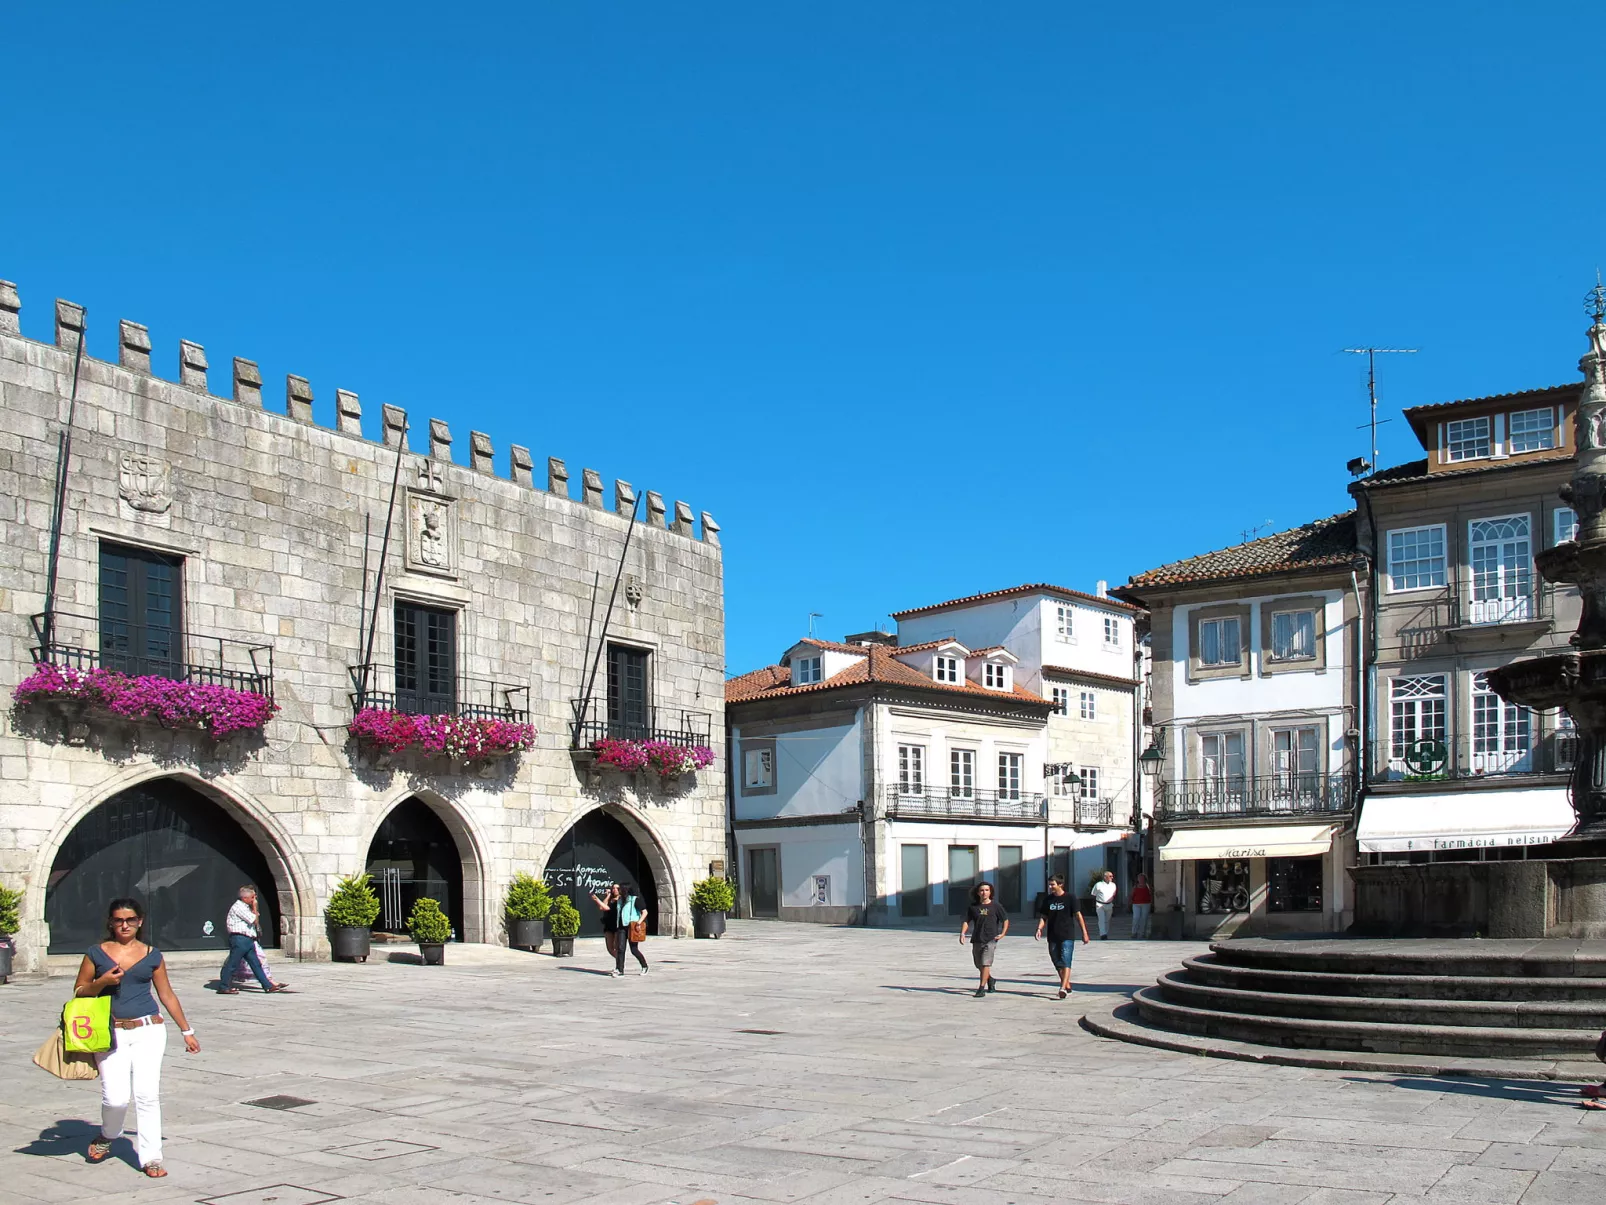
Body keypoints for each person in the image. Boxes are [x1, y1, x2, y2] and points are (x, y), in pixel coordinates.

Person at [74, 898, 200, 1178]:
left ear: (140, 921)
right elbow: (80, 992)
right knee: (116, 1099)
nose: (124, 925)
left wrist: (186, 1031)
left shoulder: (152, 954)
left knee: (147, 1095)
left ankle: (152, 1158)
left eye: (130, 919)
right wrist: (102, 982)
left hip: (149, 1029)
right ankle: (108, 1134)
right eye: (119, 920)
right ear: (111, 922)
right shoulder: (96, 953)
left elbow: (166, 993)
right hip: (110, 1032)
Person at [218, 885, 287, 994]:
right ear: (245, 898)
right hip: (240, 938)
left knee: (256, 964)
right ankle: (224, 986)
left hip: (248, 940)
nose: (254, 900)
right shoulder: (238, 907)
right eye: (252, 897)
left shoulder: (245, 907)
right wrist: (255, 908)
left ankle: (267, 985)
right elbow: (254, 920)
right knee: (233, 963)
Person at [1034, 875, 1091, 999]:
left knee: (1066, 959)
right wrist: (1039, 929)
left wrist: (1084, 933)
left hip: (1067, 934)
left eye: (1052, 884)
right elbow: (1044, 916)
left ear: (1060, 884)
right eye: (1049, 885)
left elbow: (1078, 916)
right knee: (1056, 960)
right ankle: (1067, 984)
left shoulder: (1070, 898)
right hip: (1052, 935)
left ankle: (1063, 987)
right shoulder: (1048, 900)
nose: (1050, 887)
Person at [959, 881, 1009, 998]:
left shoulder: (996, 906)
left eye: (987, 890)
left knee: (985, 963)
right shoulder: (973, 907)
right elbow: (966, 921)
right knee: (978, 964)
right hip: (977, 938)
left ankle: (981, 988)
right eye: (982, 890)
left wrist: (1002, 933)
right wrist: (962, 933)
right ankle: (990, 980)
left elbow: (1005, 920)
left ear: (990, 892)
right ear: (978, 892)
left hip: (991, 938)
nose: (984, 892)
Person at [613, 883, 650, 977]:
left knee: (634, 949)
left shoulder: (635, 900)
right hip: (621, 927)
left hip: (632, 927)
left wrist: (639, 922)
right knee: (620, 949)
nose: (618, 890)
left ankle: (644, 965)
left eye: (620, 889)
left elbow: (645, 912)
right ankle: (620, 970)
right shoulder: (620, 900)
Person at [589, 884, 621, 960]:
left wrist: (597, 899)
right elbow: (601, 906)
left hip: (617, 924)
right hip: (608, 924)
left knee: (617, 946)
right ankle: (619, 960)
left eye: (617, 888)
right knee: (610, 948)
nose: (615, 889)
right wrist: (608, 895)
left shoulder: (621, 899)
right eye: (613, 888)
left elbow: (607, 908)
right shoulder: (610, 899)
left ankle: (619, 964)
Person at [1092, 870, 1118, 940]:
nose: (1112, 877)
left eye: (1112, 876)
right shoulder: (1098, 884)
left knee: (1107, 920)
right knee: (1101, 919)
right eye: (1110, 876)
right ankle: (1103, 934)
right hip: (1100, 904)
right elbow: (1094, 894)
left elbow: (1114, 894)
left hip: (1109, 904)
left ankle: (1105, 932)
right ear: (1105, 877)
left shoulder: (1113, 885)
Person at [1130, 873, 1153, 940]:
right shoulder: (1135, 887)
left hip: (1146, 904)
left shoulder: (1148, 886)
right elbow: (1131, 895)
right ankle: (1134, 933)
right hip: (1136, 904)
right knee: (1136, 918)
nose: (1141, 880)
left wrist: (1152, 903)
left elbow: (1151, 894)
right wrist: (1130, 902)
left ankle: (1142, 933)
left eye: (1142, 878)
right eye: (1140, 878)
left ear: (1145, 879)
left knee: (1144, 919)